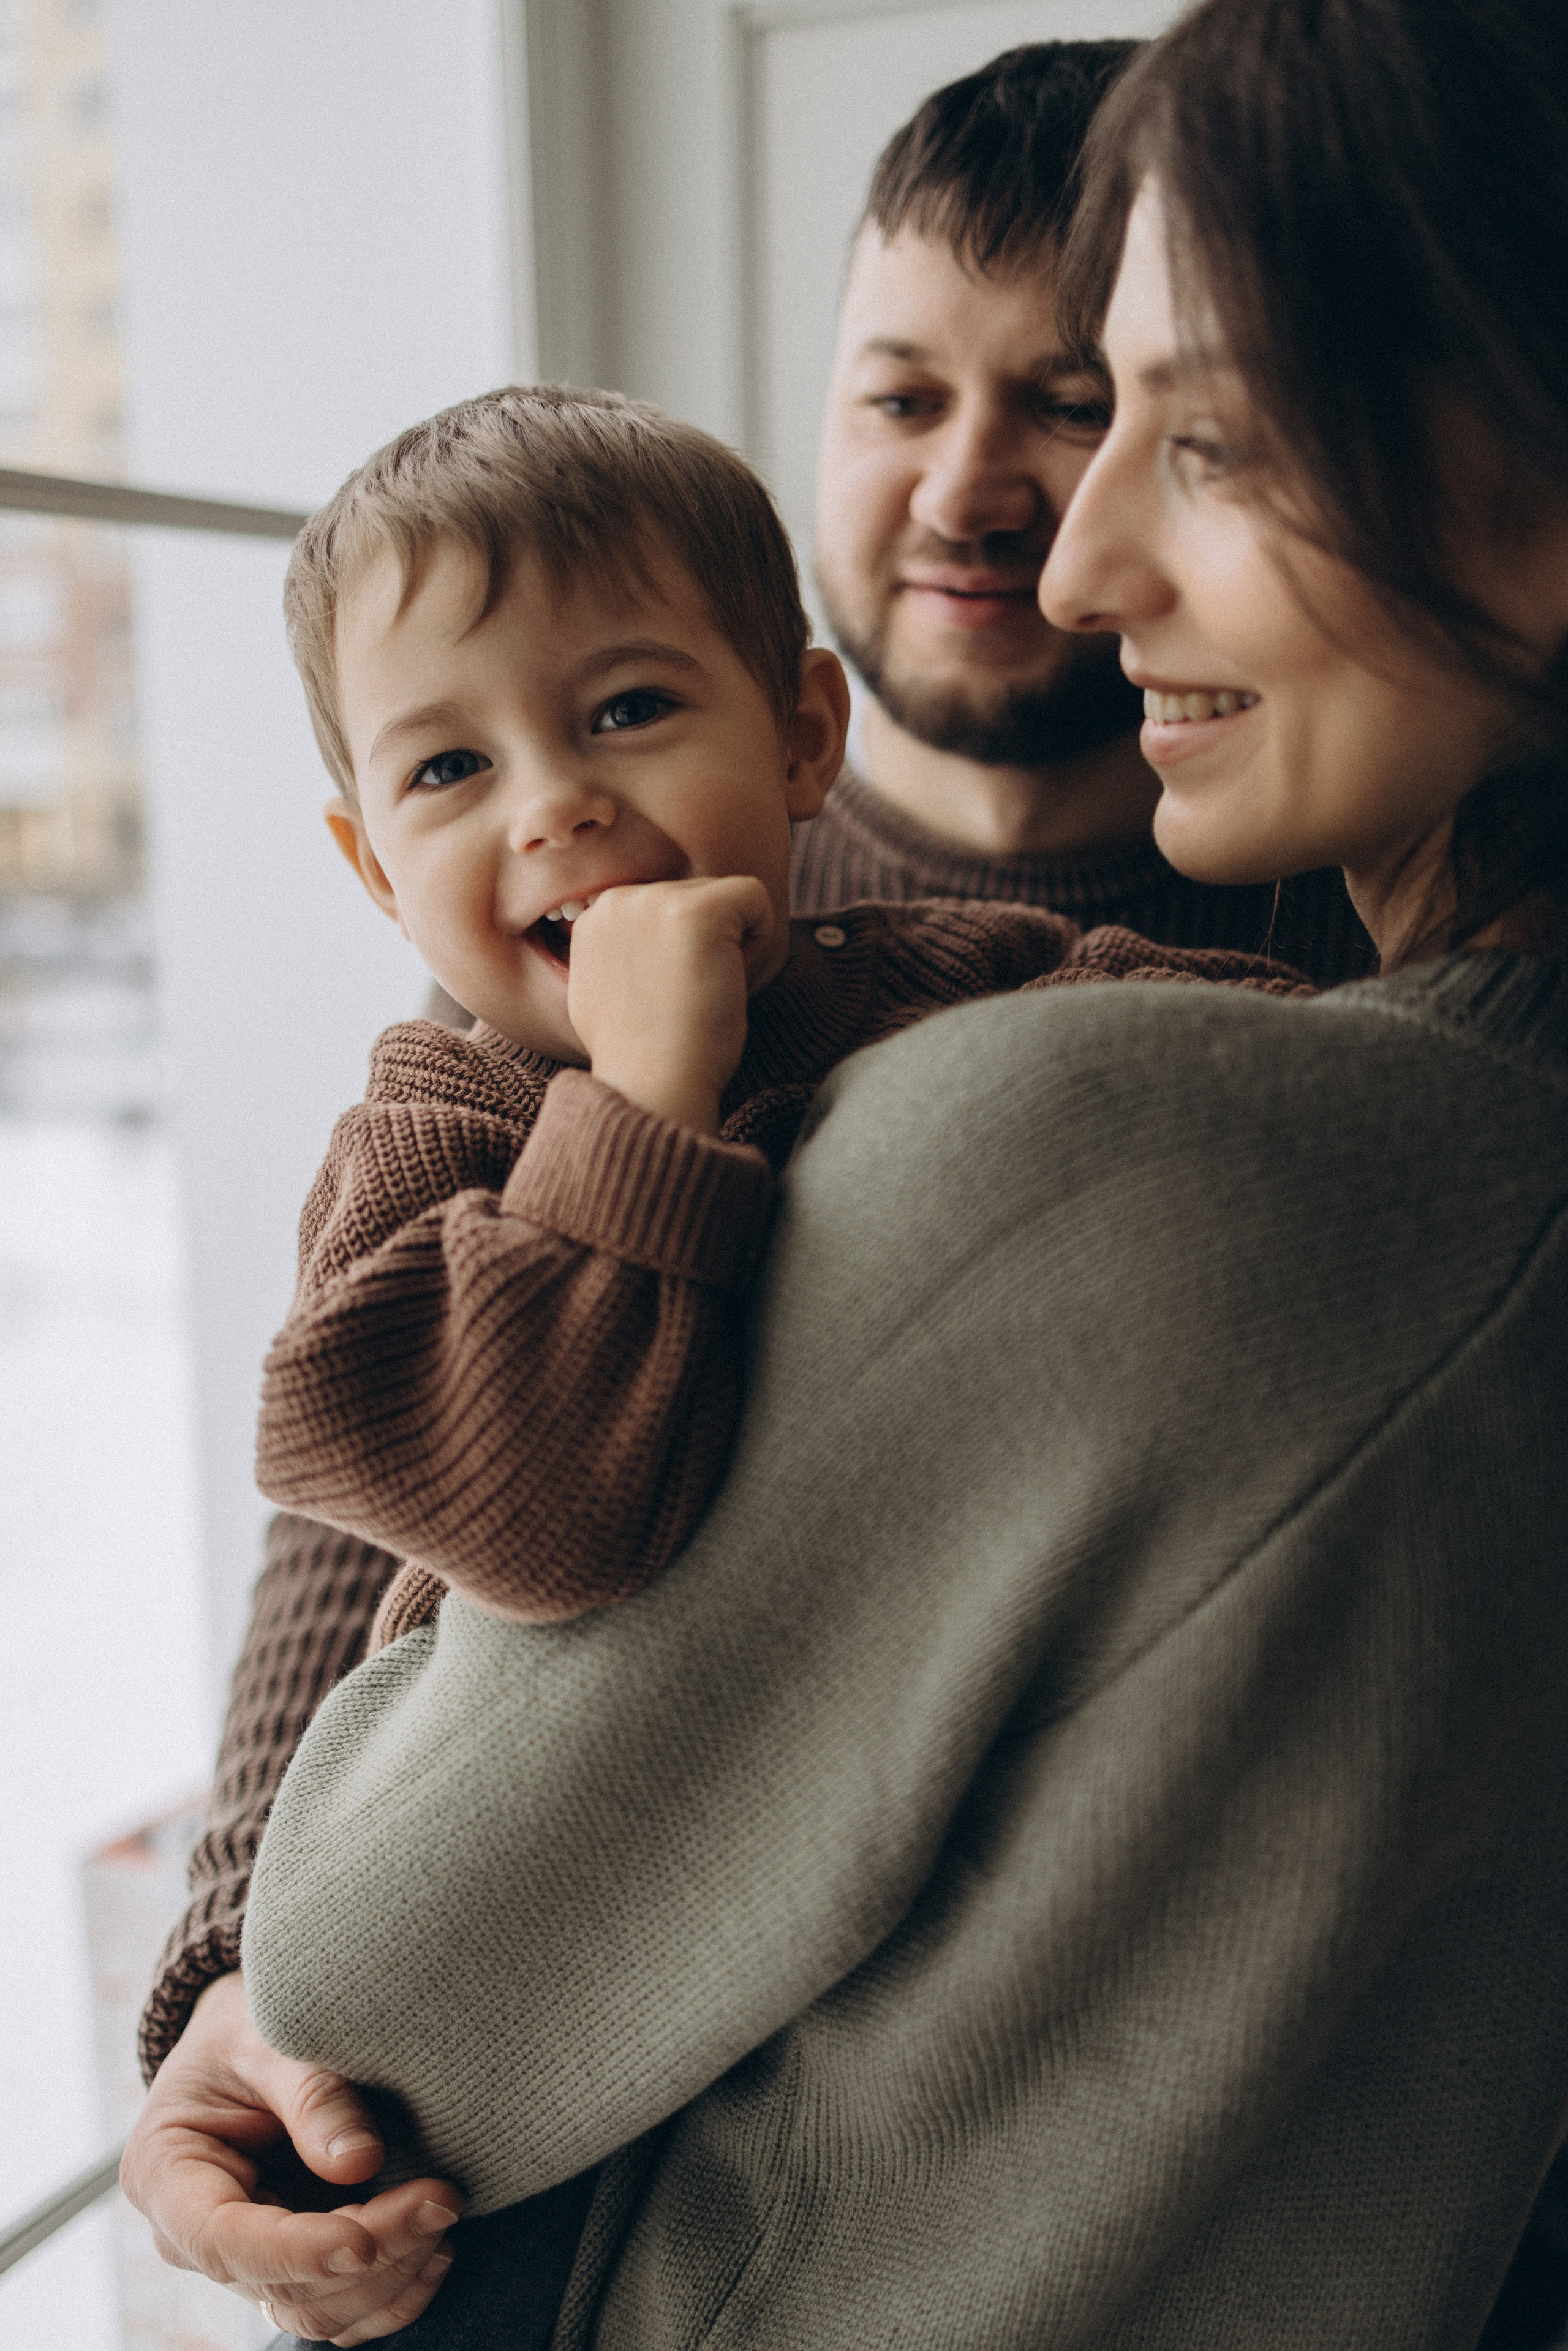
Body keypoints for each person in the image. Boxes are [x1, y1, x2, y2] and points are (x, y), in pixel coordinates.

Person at [227, 0, 1568, 2345]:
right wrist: (207, 1986)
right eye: (895, 393)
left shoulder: (1105, 1094)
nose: (1059, 545)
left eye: (1175, 427)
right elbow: (365, 1513)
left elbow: (387, 1966)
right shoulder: (491, 1063)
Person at [791, 41, 1370, 992]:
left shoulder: (1410, 933)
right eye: (902, 401)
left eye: (1075, 408)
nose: (961, 502)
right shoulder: (607, 918)